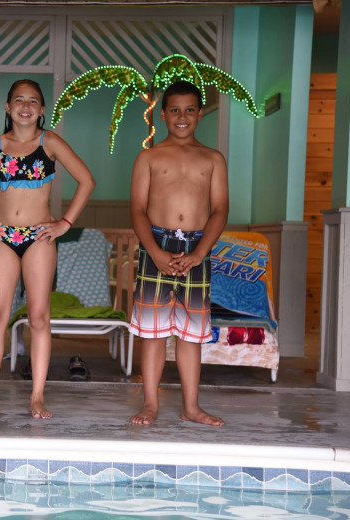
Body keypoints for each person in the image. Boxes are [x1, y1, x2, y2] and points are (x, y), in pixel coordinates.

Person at [0, 79, 96, 419]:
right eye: (18, 100)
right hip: (4, 237)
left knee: (38, 316)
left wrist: (64, 223)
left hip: (39, 238)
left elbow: (87, 180)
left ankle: (37, 396)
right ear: (7, 108)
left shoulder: (49, 142)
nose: (25, 105)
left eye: (33, 100)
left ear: (42, 109)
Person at [128, 80, 229, 426]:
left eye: (189, 110)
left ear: (200, 114)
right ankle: (151, 403)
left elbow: (220, 209)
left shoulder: (213, 158)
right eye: (175, 110)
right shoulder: (149, 157)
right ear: (163, 114)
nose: (182, 117)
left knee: (191, 332)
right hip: (157, 246)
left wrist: (201, 252)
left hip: (196, 250)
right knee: (152, 331)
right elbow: (138, 209)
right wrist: (153, 251)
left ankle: (191, 406)